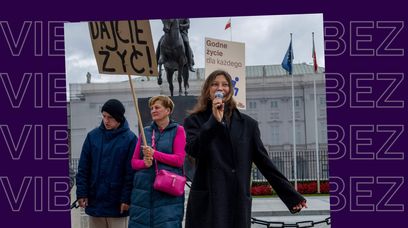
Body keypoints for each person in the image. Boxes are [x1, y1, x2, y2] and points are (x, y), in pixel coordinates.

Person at [183, 70, 307, 228]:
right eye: (214, 84)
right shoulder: (194, 120)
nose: (220, 87)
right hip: (209, 201)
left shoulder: (248, 125)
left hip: (237, 200)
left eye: (225, 84)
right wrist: (213, 121)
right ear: (208, 90)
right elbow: (193, 150)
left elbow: (265, 163)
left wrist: (291, 195)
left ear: (231, 90)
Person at [76, 99, 137, 228]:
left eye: (110, 117)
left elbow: (130, 173)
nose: (106, 120)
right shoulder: (92, 136)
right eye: (104, 116)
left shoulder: (131, 139)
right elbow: (83, 168)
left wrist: (126, 199)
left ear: (119, 118)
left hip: (118, 204)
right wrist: (81, 193)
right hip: (95, 201)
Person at [129, 95, 186, 228]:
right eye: (152, 108)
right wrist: (145, 163)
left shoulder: (179, 131)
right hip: (143, 194)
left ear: (168, 110)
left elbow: (179, 160)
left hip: (167, 194)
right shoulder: (145, 132)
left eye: (157, 107)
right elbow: (133, 162)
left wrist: (155, 154)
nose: (153, 110)